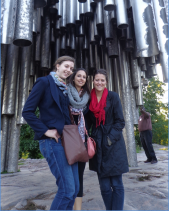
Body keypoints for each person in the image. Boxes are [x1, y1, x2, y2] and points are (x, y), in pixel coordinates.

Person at [22, 56, 80, 210]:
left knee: (74, 190)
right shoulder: (44, 82)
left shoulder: (65, 88)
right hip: (52, 142)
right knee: (67, 190)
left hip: (67, 142)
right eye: (66, 66)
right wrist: (45, 131)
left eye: (71, 69)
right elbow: (27, 112)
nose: (69, 70)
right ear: (57, 66)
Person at [86, 69, 129, 211]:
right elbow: (87, 123)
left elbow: (120, 121)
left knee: (116, 184)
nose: (99, 82)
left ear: (106, 82)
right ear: (93, 81)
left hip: (113, 143)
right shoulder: (89, 98)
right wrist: (85, 139)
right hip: (97, 142)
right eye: (97, 80)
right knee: (104, 186)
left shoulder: (113, 97)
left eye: (102, 80)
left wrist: (110, 139)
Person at [67, 68, 90, 211]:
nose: (81, 78)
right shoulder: (64, 93)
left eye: (84, 77)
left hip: (82, 141)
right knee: (68, 177)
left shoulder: (88, 97)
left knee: (79, 176)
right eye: (79, 76)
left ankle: (78, 209)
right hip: (67, 140)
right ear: (73, 77)